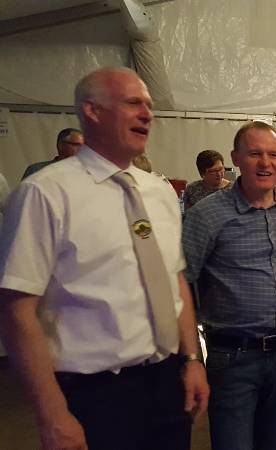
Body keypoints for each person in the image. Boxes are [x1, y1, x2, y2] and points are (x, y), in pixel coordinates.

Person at [0, 67, 208, 450]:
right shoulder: (45, 194)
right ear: (92, 111)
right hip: (93, 393)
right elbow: (16, 309)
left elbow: (174, 279)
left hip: (167, 381)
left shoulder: (159, 191)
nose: (147, 114)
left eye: (149, 105)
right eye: (133, 103)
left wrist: (192, 358)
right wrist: (52, 412)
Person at [182, 120, 276, 450]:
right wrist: (191, 358)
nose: (265, 163)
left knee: (273, 442)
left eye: (274, 155)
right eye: (255, 154)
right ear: (235, 158)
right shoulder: (206, 215)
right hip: (231, 357)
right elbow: (181, 284)